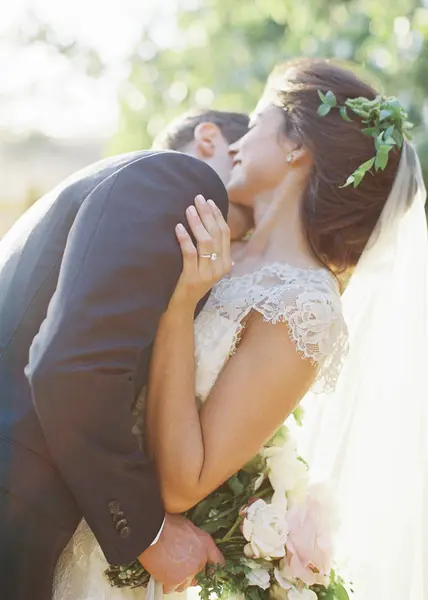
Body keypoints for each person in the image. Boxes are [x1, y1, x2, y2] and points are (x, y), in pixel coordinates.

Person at [53, 59, 428, 600]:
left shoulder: (305, 305)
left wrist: (180, 307)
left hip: (119, 556)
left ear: (297, 146)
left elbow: (184, 483)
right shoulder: (223, 242)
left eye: (256, 123)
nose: (237, 143)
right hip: (70, 501)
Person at [0, 109, 250, 600]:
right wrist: (148, 531)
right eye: (248, 139)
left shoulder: (120, 184)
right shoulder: (178, 180)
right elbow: (67, 368)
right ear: (208, 139)